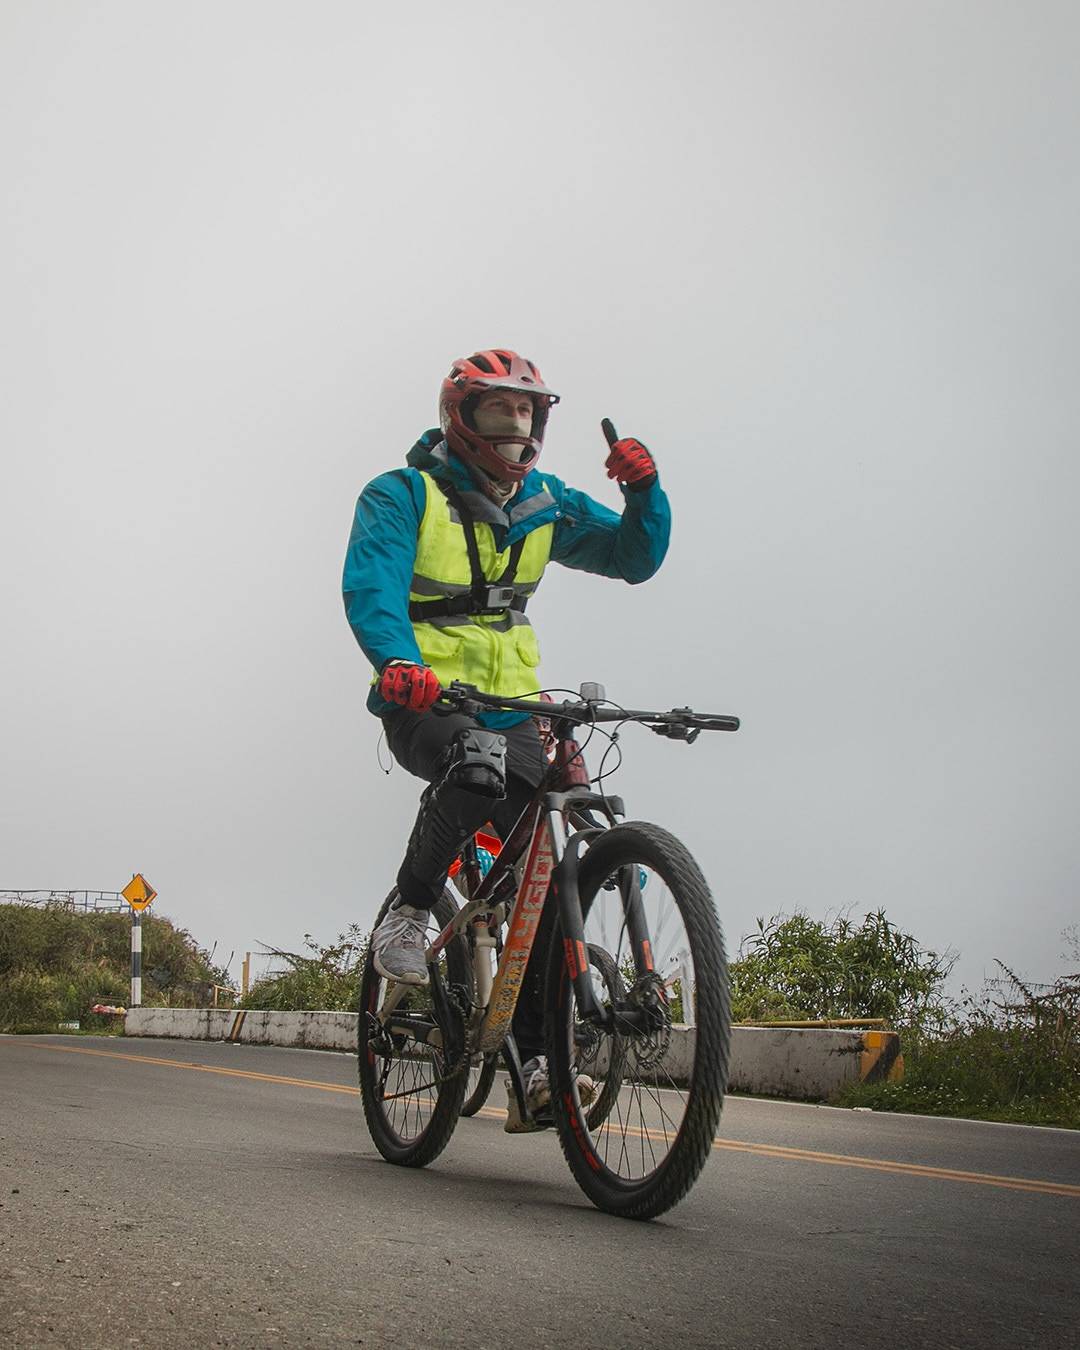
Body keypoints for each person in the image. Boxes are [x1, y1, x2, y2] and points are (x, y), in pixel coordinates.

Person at [342, 348, 670, 1129]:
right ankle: (410, 911)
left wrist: (644, 492)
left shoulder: (544, 503)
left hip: (512, 704)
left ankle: (535, 1069)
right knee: (474, 765)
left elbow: (633, 557)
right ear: (460, 416)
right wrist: (398, 662)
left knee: (546, 871)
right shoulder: (403, 496)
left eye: (528, 412)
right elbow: (371, 586)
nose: (516, 427)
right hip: (425, 698)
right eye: (499, 410)